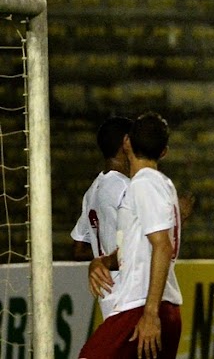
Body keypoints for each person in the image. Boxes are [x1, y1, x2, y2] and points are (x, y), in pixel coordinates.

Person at [79, 112, 183, 359]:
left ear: (127, 143)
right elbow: (136, 249)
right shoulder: (159, 185)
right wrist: (103, 262)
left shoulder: (145, 183)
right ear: (164, 151)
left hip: (141, 308)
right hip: (157, 308)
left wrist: (150, 313)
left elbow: (162, 246)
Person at [70, 116, 132, 319]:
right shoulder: (125, 188)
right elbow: (140, 243)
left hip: (107, 297)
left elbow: (78, 248)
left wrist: (101, 258)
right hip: (129, 295)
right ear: (126, 143)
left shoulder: (93, 190)